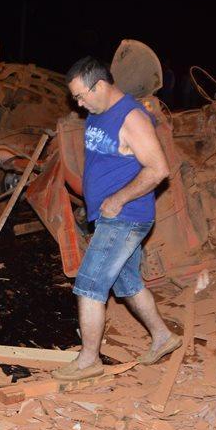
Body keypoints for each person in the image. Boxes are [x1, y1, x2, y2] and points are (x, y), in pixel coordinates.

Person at [53, 57, 178, 381]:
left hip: (125, 217)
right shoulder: (97, 113)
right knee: (128, 284)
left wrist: (118, 198)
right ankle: (164, 337)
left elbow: (158, 169)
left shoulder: (132, 117)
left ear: (101, 85)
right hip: (110, 216)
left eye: (80, 96)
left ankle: (89, 360)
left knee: (88, 286)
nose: (77, 103)